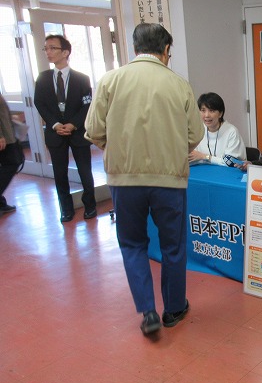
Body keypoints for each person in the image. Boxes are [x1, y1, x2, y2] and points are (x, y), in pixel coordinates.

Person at [84, 23, 204, 336]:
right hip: (169, 180)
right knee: (173, 245)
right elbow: (195, 134)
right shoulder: (178, 84)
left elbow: (93, 130)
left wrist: (117, 149)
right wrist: (173, 148)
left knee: (132, 243)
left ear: (135, 48)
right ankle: (174, 309)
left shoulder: (110, 80)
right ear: (165, 50)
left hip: (124, 180)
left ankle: (148, 311)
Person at [34, 34, 96, 222]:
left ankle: (90, 206)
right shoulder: (43, 78)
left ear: (65, 52)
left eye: (52, 48)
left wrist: (73, 124)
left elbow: (87, 104)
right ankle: (66, 209)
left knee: (85, 171)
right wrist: (55, 124)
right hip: (55, 133)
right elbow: (39, 103)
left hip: (78, 132)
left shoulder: (81, 79)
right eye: (46, 48)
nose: (48, 52)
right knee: (60, 174)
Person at [188, 92, 246, 165]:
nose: (207, 115)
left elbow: (231, 162)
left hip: (229, 171)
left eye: (211, 111)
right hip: (204, 170)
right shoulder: (198, 130)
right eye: (203, 110)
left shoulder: (231, 132)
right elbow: (192, 156)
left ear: (220, 114)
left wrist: (205, 157)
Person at [0, 93, 21, 217]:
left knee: (12, 162)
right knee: (12, 162)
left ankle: (1, 203)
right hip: (4, 138)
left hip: (7, 133)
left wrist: (9, 117)